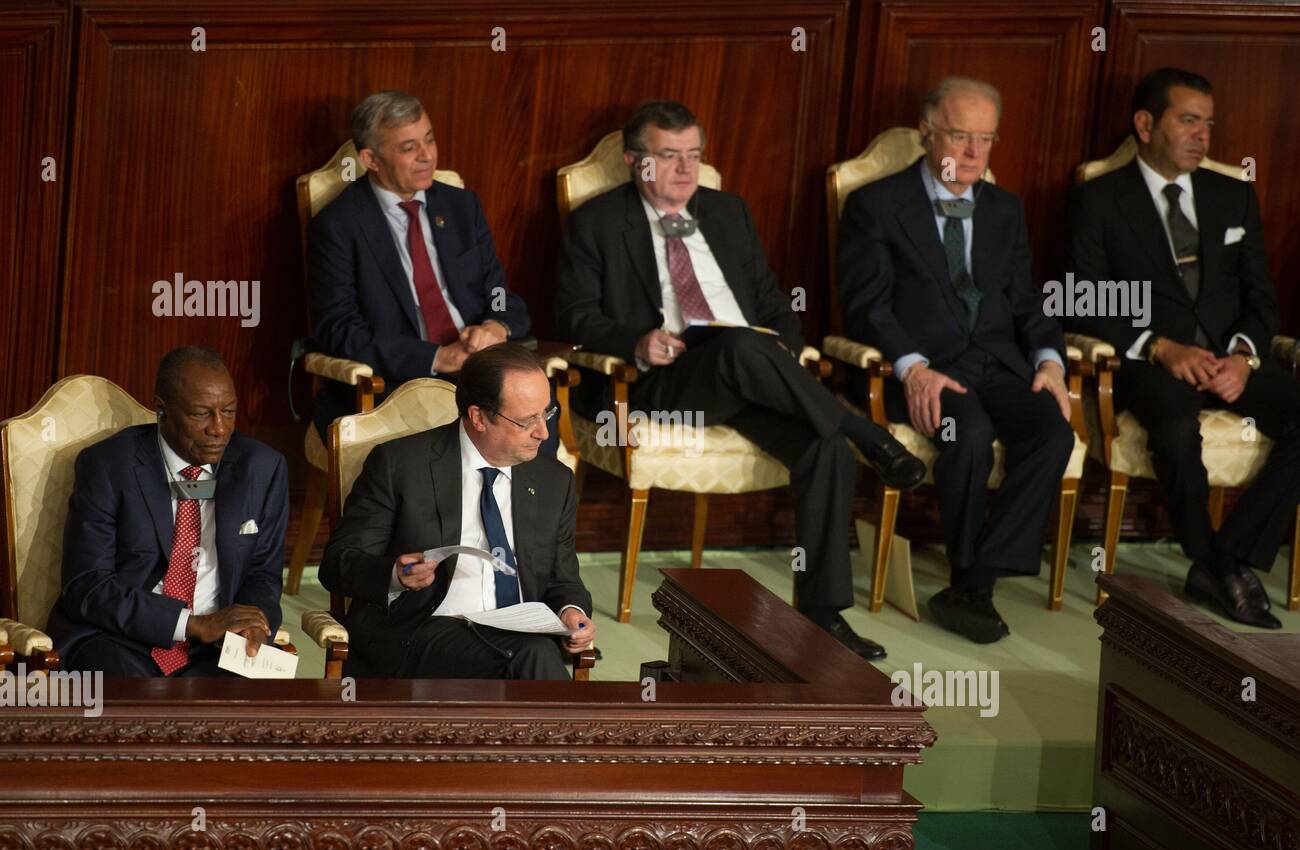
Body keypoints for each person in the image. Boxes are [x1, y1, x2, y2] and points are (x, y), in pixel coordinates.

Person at [555, 101, 926, 661]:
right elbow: (575, 317)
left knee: (824, 447)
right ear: (636, 161)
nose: (685, 170)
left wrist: (785, 348)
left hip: (753, 374)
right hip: (666, 385)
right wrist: (636, 340)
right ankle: (868, 432)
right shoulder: (598, 221)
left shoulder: (727, 213)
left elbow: (776, 307)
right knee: (737, 345)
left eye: (695, 156)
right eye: (669, 156)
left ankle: (824, 617)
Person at [837, 77, 1075, 644]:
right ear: (927, 132)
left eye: (986, 139)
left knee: (1052, 433)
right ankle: (973, 586)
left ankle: (975, 579)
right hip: (929, 370)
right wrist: (913, 368)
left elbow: (1025, 301)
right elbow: (866, 306)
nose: (974, 153)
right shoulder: (875, 205)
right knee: (966, 433)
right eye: (960, 136)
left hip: (998, 363)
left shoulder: (1005, 209)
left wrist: (1049, 360)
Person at [1067, 67, 1300, 629]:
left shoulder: (1233, 195)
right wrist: (1162, 347)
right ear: (1146, 124)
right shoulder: (1099, 198)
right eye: (1188, 121)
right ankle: (1209, 556)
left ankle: (1227, 559)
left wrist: (1244, 357)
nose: (1203, 136)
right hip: (1152, 362)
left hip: (1230, 360)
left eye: (1209, 124)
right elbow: (1081, 298)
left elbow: (1261, 297)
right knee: (1174, 428)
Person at [320, 344, 596, 679]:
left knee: (532, 653)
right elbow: (339, 564)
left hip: (519, 634)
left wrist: (572, 611)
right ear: (478, 417)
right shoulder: (400, 464)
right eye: (527, 421)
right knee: (532, 657)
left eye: (546, 414)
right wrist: (396, 573)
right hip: (422, 631)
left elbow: (563, 578)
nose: (543, 432)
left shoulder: (554, 480)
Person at [307, 90, 545, 447]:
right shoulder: (340, 225)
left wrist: (495, 326)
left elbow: (499, 295)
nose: (427, 156)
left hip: (478, 370)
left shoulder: (462, 206)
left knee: (534, 423)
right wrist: (436, 357)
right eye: (408, 147)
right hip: (396, 382)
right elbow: (338, 329)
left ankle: (517, 505)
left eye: (430, 139)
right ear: (371, 158)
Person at [47, 347, 288, 675]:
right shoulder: (109, 465)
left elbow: (262, 574)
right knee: (131, 702)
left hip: (216, 647)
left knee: (262, 707)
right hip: (122, 639)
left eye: (229, 411)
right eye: (201, 414)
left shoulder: (262, 468)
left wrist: (253, 623)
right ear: (162, 409)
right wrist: (191, 624)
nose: (219, 428)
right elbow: (87, 585)